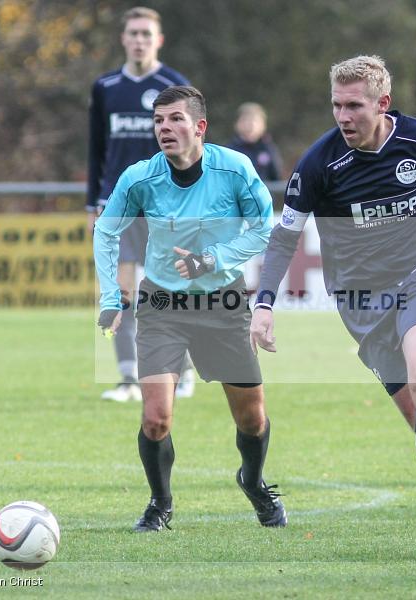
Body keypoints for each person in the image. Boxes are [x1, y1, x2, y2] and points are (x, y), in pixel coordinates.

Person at [250, 56, 416, 557]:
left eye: (354, 106)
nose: (343, 116)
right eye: (337, 106)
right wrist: (263, 303)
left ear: (382, 104)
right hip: (361, 300)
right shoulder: (318, 164)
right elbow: (284, 238)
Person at [94, 85, 286, 532]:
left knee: (251, 418)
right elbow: (106, 231)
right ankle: (160, 504)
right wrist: (110, 298)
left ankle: (253, 480)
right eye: (158, 121)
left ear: (200, 127)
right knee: (156, 418)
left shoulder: (234, 169)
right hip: (162, 305)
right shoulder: (139, 177)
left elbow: (264, 230)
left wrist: (212, 259)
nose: (164, 128)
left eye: (175, 119)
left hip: (223, 304)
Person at [87, 6, 194, 401]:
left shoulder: (174, 84)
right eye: (133, 33)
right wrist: (92, 203)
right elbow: (96, 148)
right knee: (121, 292)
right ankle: (128, 379)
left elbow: (190, 147)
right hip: (118, 204)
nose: (139, 40)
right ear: (123, 38)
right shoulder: (106, 87)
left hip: (165, 205)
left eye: (146, 34)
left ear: (158, 40)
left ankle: (182, 369)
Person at [227, 102, 283, 182]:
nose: (250, 125)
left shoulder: (269, 148)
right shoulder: (229, 151)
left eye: (255, 121)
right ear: (237, 124)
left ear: (263, 125)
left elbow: (277, 178)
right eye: (245, 120)